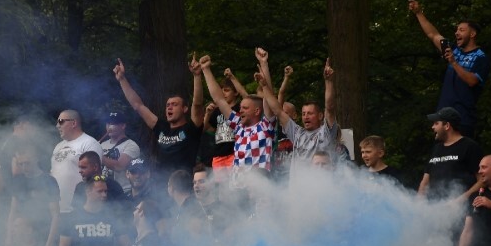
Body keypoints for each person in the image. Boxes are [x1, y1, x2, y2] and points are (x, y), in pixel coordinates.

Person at [407, 0, 490, 139]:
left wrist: (454, 62)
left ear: (472, 34)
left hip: (463, 118)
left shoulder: (481, 57)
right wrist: (418, 13)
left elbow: (472, 81)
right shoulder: (453, 49)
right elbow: (432, 34)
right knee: (439, 158)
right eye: (456, 30)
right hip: (442, 116)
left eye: (462, 30)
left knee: (460, 157)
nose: (457, 33)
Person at [114, 58, 204, 175]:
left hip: (184, 184)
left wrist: (197, 76)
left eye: (174, 104)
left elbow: (197, 105)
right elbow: (138, 106)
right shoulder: (161, 127)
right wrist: (122, 79)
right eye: (167, 105)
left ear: (185, 109)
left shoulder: (191, 128)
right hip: (161, 186)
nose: (169, 107)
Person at [199, 53, 277, 188]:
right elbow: (219, 100)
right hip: (237, 190)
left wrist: (264, 64)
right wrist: (206, 70)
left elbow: (269, 98)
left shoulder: (266, 126)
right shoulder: (238, 126)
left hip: (259, 188)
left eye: (245, 108)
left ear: (257, 111)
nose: (240, 111)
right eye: (240, 107)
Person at [254, 53, 338, 175]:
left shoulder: (326, 132)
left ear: (320, 116)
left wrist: (329, 82)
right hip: (297, 189)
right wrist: (264, 85)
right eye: (304, 114)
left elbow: (330, 107)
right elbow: (277, 111)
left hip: (321, 188)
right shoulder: (297, 132)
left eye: (310, 113)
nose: (306, 117)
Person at [418, 107, 484, 202]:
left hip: (459, 211)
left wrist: (460, 200)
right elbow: (425, 181)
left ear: (447, 126)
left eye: (436, 123)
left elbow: (482, 180)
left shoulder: (469, 146)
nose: (433, 127)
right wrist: (418, 204)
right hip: (432, 210)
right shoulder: (436, 148)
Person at [50, 110, 102, 214]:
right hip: (58, 209)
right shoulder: (58, 146)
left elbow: (94, 176)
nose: (57, 126)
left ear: (73, 123)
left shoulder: (89, 143)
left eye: (61, 121)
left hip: (77, 209)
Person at [100, 112, 141, 181]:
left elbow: (119, 166)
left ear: (123, 126)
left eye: (113, 124)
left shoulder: (131, 145)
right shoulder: (102, 144)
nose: (109, 127)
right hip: (103, 189)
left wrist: (96, 155)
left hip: (122, 190)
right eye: (108, 123)